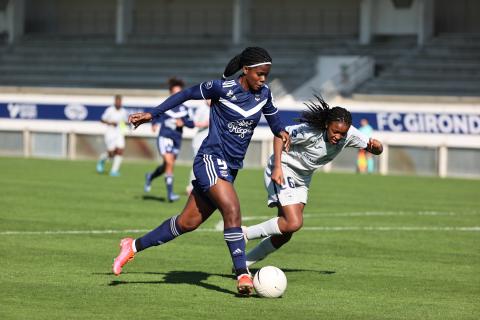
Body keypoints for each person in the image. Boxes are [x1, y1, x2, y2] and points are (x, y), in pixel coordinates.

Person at [112, 47, 291, 296]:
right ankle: (242, 274)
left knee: (187, 223)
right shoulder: (221, 88)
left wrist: (281, 131)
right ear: (246, 70)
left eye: (267, 74)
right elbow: (186, 94)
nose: (264, 79)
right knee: (232, 209)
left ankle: (131, 246)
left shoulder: (265, 94)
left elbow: (274, 122)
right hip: (210, 159)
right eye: (260, 74)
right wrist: (153, 114)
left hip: (231, 168)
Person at [242, 96, 383, 268]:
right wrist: (277, 166)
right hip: (284, 168)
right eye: (335, 131)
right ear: (326, 125)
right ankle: (244, 234)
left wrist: (378, 148)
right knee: (294, 222)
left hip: (303, 178)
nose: (338, 136)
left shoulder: (350, 135)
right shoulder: (310, 131)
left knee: (286, 232)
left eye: (342, 133)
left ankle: (243, 263)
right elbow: (280, 136)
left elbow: (373, 148)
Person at [143, 78, 195, 202]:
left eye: (179, 92)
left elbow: (191, 124)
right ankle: (170, 194)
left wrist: (183, 122)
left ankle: (150, 176)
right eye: (175, 92)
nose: (178, 95)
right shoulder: (167, 105)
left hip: (176, 139)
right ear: (171, 93)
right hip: (164, 136)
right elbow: (156, 114)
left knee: (167, 165)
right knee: (170, 163)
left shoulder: (185, 109)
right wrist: (154, 123)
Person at [96, 94, 129, 176]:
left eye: (120, 101)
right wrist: (111, 123)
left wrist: (125, 125)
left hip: (119, 133)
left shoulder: (124, 111)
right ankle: (102, 159)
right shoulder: (109, 110)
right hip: (110, 133)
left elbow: (125, 122)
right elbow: (102, 120)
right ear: (115, 101)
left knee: (120, 151)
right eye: (117, 101)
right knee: (111, 153)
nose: (119, 102)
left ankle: (114, 171)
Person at [185, 99, 211, 195]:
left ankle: (204, 187)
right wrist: (205, 124)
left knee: (207, 166)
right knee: (198, 165)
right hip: (199, 141)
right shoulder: (202, 108)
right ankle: (191, 187)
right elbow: (194, 123)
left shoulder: (215, 108)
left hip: (210, 143)